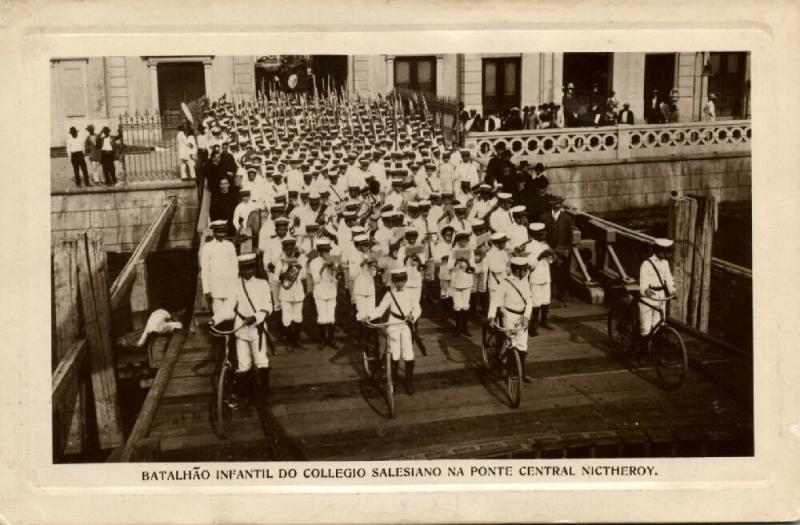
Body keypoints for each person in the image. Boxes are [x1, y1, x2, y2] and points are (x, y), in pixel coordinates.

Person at [209, 253, 273, 406]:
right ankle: (244, 396)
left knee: (261, 361)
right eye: (244, 269)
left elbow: (268, 306)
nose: (247, 272)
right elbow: (228, 307)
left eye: (250, 268)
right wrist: (215, 319)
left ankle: (264, 396)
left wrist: (256, 317)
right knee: (243, 363)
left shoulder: (263, 284)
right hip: (241, 329)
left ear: (254, 268)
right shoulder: (235, 285)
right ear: (240, 270)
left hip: (257, 328)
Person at [370, 268, 422, 395]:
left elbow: (417, 308)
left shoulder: (411, 293)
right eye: (396, 281)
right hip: (393, 323)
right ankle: (393, 381)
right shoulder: (390, 294)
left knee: (408, 352)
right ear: (393, 282)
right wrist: (369, 316)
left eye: (402, 281)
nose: (399, 284)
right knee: (395, 352)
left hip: (405, 324)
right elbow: (380, 309)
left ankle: (409, 382)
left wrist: (413, 316)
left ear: (405, 280)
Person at [487, 257, 533, 382]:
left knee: (523, 345)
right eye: (523, 270)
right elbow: (495, 300)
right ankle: (509, 372)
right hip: (509, 316)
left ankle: (521, 372)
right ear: (517, 270)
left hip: (522, 317)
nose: (525, 272)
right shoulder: (505, 283)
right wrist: (491, 316)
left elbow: (529, 300)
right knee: (511, 344)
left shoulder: (525, 280)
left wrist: (526, 316)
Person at [638, 238, 677, 350]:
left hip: (660, 297)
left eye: (668, 252)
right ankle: (642, 350)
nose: (666, 255)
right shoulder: (646, 264)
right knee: (645, 328)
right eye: (664, 252)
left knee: (658, 325)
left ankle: (654, 350)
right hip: (648, 299)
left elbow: (669, 279)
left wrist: (672, 291)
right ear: (657, 251)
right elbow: (643, 283)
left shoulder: (665, 263)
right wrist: (646, 290)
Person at [201, 220, 239, 316]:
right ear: (214, 232)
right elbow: (205, 270)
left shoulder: (230, 245)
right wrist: (206, 290)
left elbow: (235, 267)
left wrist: (236, 284)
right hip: (215, 287)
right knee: (218, 315)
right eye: (219, 232)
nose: (221, 234)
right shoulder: (207, 247)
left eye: (223, 232)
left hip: (230, 286)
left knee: (230, 313)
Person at [541, 195, 573, 306]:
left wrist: (567, 249)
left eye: (558, 203)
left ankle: (561, 294)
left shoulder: (567, 218)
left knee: (562, 273)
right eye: (554, 203)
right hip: (549, 250)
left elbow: (570, 236)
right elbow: (542, 235)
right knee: (549, 273)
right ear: (551, 205)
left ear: (560, 204)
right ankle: (548, 295)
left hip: (562, 251)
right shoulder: (545, 218)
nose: (556, 205)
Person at [308, 238, 339, 349]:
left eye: (328, 251)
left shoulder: (333, 261)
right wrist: (323, 268)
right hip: (320, 293)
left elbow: (336, 280)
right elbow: (316, 280)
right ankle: (322, 340)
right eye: (325, 252)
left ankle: (331, 339)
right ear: (320, 252)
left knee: (331, 316)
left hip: (331, 292)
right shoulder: (314, 263)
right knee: (321, 316)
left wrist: (333, 270)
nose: (327, 254)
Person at [526, 222, 555, 336]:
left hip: (545, 277)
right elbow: (529, 265)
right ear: (534, 235)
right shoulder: (529, 246)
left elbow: (550, 261)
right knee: (535, 303)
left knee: (546, 301)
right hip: (535, 278)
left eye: (543, 235)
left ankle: (544, 321)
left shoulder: (544, 244)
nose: (543, 237)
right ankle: (532, 326)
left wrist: (551, 255)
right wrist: (540, 256)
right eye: (540, 235)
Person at [447, 230, 476, 336]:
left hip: (467, 280)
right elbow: (449, 266)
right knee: (457, 305)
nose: (463, 243)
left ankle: (465, 327)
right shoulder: (453, 251)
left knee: (465, 304)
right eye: (461, 241)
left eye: (465, 241)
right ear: (458, 241)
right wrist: (456, 262)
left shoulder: (470, 251)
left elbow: (473, 266)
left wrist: (467, 262)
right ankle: (458, 327)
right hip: (456, 280)